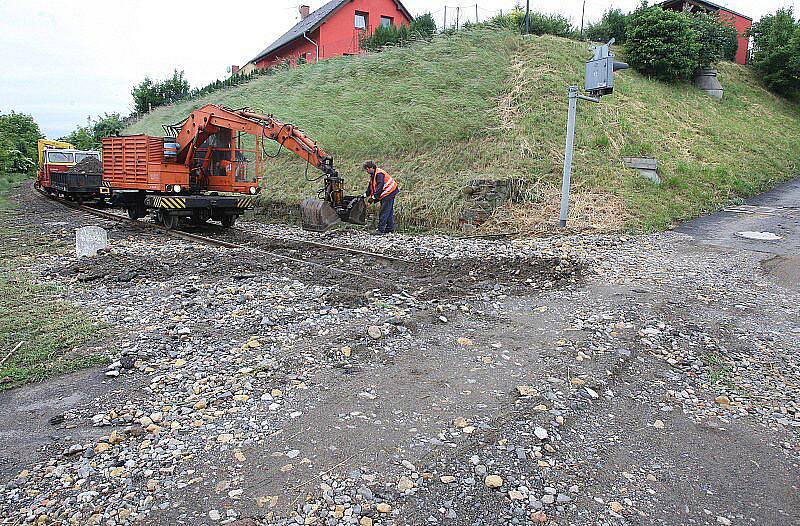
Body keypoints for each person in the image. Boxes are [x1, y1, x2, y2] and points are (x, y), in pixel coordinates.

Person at [362, 160, 399, 234]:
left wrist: (373, 198)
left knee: (384, 211)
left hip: (389, 193)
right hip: (389, 192)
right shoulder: (374, 174)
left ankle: (380, 230)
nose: (367, 171)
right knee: (389, 211)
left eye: (367, 169)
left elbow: (379, 187)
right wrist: (365, 195)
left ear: (372, 167)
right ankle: (390, 228)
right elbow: (371, 186)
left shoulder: (379, 174)